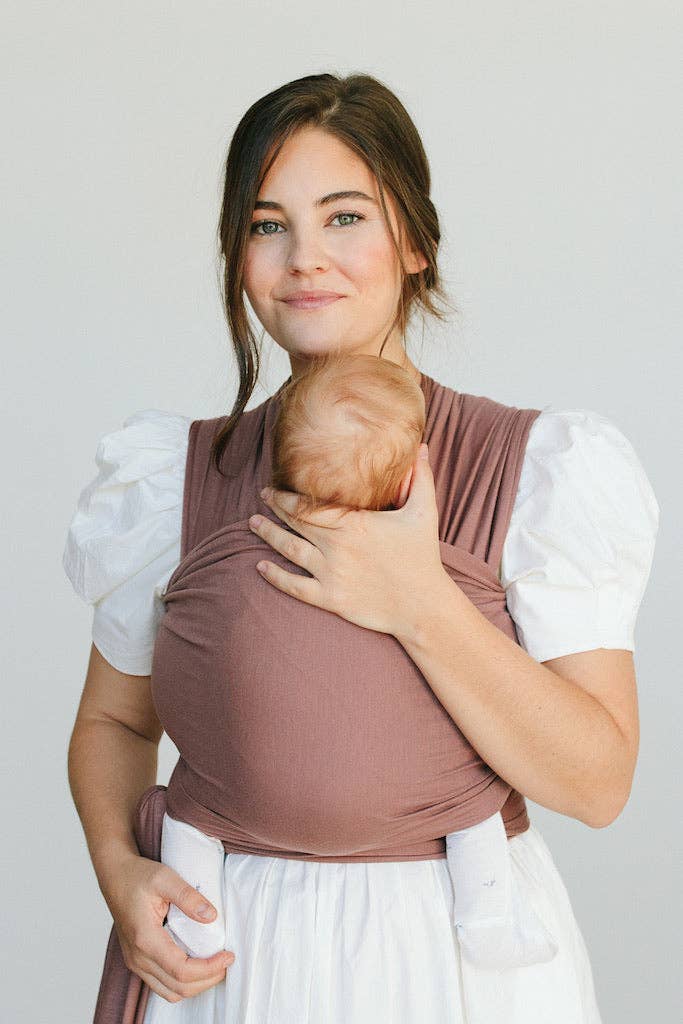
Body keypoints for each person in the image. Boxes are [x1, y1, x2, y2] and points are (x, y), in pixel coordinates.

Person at [62, 73, 659, 1023]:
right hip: (228, 956)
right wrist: (118, 872)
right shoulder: (168, 479)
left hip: (460, 963)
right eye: (267, 226)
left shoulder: (537, 469)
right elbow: (115, 724)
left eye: (344, 217)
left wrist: (419, 602)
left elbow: (596, 784)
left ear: (414, 243)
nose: (305, 258)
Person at [160, 352, 558, 975]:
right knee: (477, 806)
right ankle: (488, 921)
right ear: (409, 482)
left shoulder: (223, 550)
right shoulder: (473, 550)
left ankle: (196, 927)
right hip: (431, 882)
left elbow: (174, 680)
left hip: (244, 873)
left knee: (187, 815)